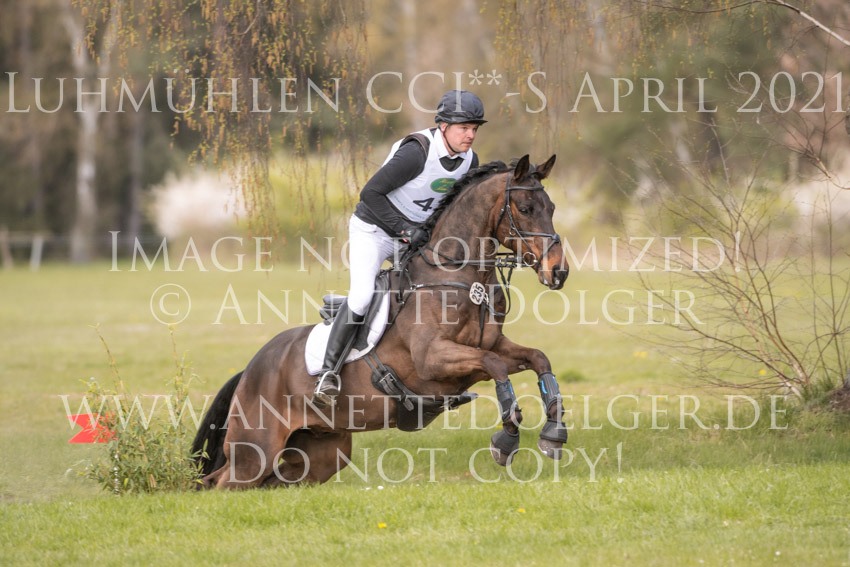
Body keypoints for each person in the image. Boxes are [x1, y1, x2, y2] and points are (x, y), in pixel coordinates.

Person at [312, 89, 487, 407]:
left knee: (440, 292)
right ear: (443, 126)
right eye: (464, 128)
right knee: (362, 295)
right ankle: (328, 372)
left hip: (413, 238)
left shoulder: (469, 161)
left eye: (474, 128)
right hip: (374, 230)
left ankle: (444, 380)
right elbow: (371, 194)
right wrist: (406, 231)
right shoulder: (416, 152)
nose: (470, 135)